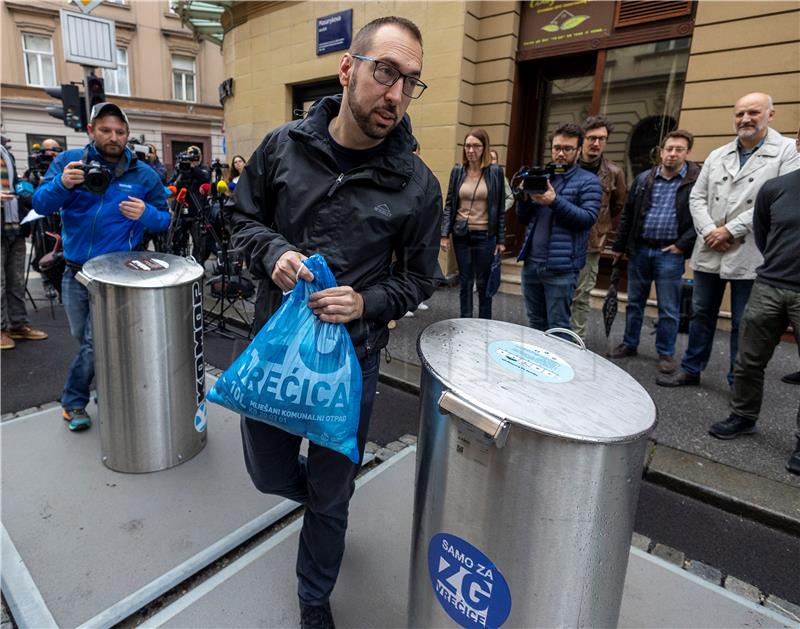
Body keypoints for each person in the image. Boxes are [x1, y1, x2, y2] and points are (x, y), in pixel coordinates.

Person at [227, 17, 441, 629]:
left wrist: (367, 302)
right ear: (348, 70)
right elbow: (242, 221)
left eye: (411, 83)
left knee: (330, 494)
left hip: (351, 360)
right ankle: (322, 497)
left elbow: (422, 278)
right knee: (269, 476)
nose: (396, 96)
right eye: (386, 73)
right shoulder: (280, 148)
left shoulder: (418, 187)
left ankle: (315, 597)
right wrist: (274, 255)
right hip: (275, 350)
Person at [32, 103, 169, 431]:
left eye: (120, 132)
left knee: (97, 342)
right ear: (92, 130)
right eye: (106, 130)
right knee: (85, 339)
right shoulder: (69, 162)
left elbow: (164, 220)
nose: (114, 137)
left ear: (127, 135)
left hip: (118, 275)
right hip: (75, 271)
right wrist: (62, 184)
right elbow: (39, 203)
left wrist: (146, 215)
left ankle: (73, 401)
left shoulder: (144, 174)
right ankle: (109, 390)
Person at [657, 93, 800, 387]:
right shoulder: (718, 153)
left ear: (770, 115)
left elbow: (780, 200)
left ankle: (738, 380)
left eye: (754, 112)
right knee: (700, 314)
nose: (745, 119)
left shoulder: (787, 151)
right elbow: (697, 197)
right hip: (709, 247)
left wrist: (729, 230)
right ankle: (691, 369)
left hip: (749, 250)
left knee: (743, 322)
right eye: (740, 113)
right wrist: (711, 231)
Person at [707, 165, 800, 473]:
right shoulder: (775, 188)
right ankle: (743, 417)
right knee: (748, 361)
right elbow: (762, 234)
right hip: (769, 286)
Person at [609, 130, 700, 373]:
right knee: (634, 302)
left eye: (678, 149)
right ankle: (630, 343)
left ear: (687, 152)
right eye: (668, 149)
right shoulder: (643, 179)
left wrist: (682, 245)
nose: (672, 154)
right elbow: (627, 214)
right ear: (661, 152)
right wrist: (619, 247)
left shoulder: (695, 181)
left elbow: (701, 218)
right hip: (640, 249)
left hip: (670, 252)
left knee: (668, 307)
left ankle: (666, 353)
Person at [515, 122, 600, 332]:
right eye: (556, 148)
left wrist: (554, 201)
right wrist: (523, 198)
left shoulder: (589, 181)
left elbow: (587, 218)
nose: (560, 154)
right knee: (535, 325)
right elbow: (523, 219)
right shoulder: (543, 176)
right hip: (532, 265)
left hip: (561, 269)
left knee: (558, 329)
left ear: (579, 150)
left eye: (567, 149)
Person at [570, 116, 627, 341]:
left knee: (581, 294)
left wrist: (599, 225)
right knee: (561, 292)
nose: (596, 143)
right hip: (565, 238)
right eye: (592, 138)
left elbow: (617, 206)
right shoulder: (567, 165)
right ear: (582, 140)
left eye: (601, 139)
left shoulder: (614, 172)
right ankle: (556, 335)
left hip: (592, 242)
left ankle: (576, 340)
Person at [440, 128, 506, 318]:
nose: (471, 150)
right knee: (465, 282)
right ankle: (465, 323)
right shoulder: (458, 171)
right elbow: (450, 203)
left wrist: (501, 239)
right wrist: (444, 234)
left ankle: (484, 325)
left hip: (485, 236)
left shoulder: (494, 173)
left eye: (476, 146)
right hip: (461, 234)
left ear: (484, 148)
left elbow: (500, 207)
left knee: (484, 284)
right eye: (467, 145)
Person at [1, 136, 48, 350]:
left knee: (17, 281)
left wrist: (30, 194)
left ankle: (18, 324)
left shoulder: (5, 150)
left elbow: (16, 184)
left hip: (15, 227)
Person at [489, 148, 515, 212]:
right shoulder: (478, 175)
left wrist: (500, 211)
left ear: (497, 162)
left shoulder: (501, 178)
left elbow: (510, 198)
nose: (491, 161)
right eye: (489, 158)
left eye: (494, 159)